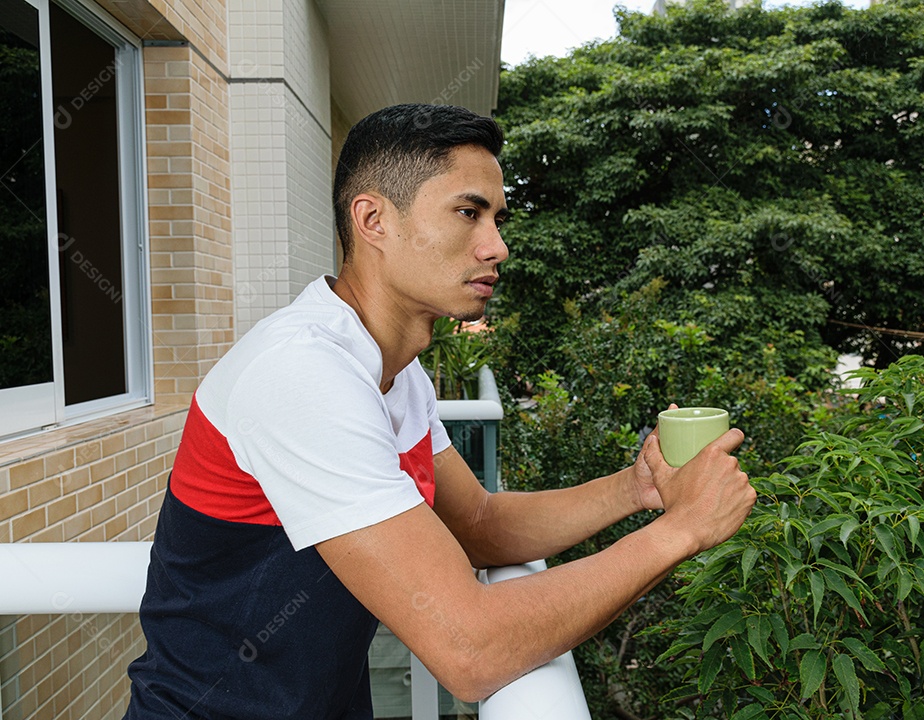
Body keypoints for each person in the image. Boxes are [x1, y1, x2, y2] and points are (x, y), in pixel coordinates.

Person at [123, 103, 756, 719]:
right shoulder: (301, 373)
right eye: (468, 213)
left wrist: (637, 489)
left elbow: (478, 523)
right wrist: (684, 530)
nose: (497, 247)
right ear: (372, 220)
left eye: (498, 219)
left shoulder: (393, 368)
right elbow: (469, 649)